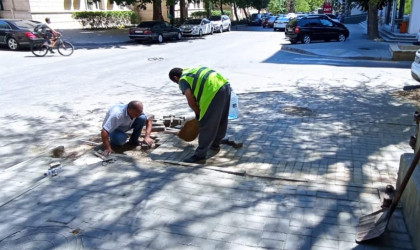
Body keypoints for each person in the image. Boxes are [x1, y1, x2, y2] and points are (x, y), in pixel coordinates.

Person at [169, 67, 231, 164]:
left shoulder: (183, 79)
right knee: (221, 118)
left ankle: (200, 156)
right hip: (225, 85)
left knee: (206, 124)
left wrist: (199, 114)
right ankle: (215, 144)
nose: (177, 83)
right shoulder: (191, 70)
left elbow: (191, 101)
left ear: (176, 78)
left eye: (175, 82)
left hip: (213, 91)